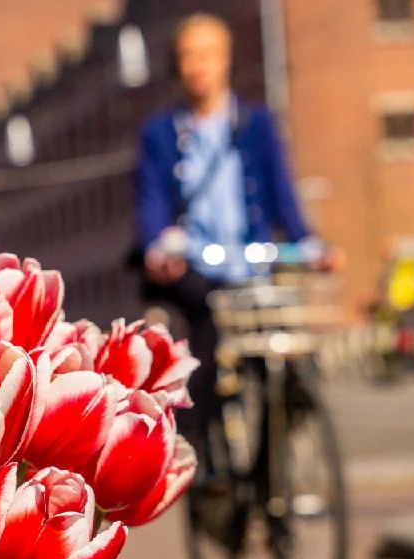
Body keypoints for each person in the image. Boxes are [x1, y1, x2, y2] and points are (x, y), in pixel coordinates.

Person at [133, 12, 330, 465]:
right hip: (196, 267)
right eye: (187, 55)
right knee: (209, 330)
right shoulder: (160, 134)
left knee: (285, 346)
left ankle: (280, 443)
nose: (197, 65)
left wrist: (312, 245)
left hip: (252, 263)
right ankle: (196, 450)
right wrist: (157, 246)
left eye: (207, 54)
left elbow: (283, 195)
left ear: (225, 61)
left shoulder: (256, 124)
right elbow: (151, 202)